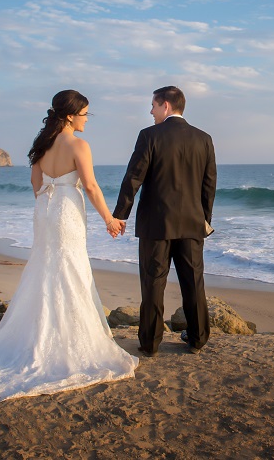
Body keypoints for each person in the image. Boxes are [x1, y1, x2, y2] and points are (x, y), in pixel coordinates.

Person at [0, 90, 138, 401]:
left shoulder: (42, 145)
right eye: (85, 113)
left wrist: (48, 206)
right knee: (69, 268)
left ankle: (38, 336)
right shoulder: (78, 145)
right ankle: (66, 342)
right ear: (70, 115)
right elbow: (90, 186)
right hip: (67, 211)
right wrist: (110, 220)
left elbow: (36, 183)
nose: (87, 119)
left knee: (46, 268)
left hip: (46, 210)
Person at [113, 86, 216, 356]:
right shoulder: (204, 138)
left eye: (154, 106)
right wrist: (204, 219)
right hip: (193, 224)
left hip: (156, 224)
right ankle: (197, 339)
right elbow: (209, 185)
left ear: (166, 106)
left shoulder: (149, 136)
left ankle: (150, 343)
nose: (151, 111)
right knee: (194, 282)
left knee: (153, 283)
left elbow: (133, 177)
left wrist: (120, 214)